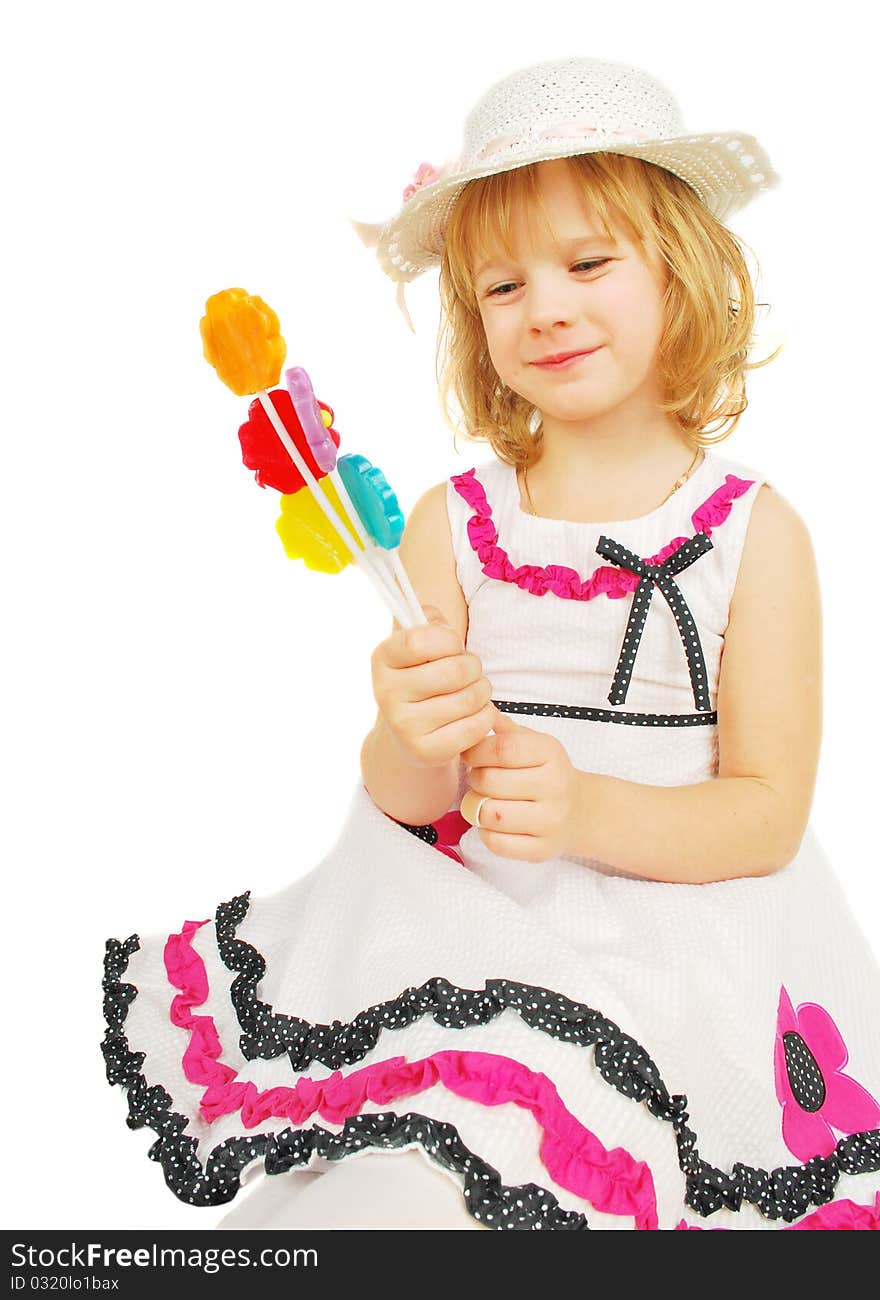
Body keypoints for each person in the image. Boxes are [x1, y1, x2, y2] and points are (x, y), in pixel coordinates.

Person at [101, 56, 880, 1232]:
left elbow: (765, 810)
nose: (545, 307)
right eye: (502, 286)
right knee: (357, 1195)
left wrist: (585, 812)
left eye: (586, 262)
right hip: (467, 939)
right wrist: (409, 732)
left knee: (576, 1185)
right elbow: (408, 800)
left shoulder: (754, 534)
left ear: (682, 268)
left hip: (678, 966)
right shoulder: (450, 528)